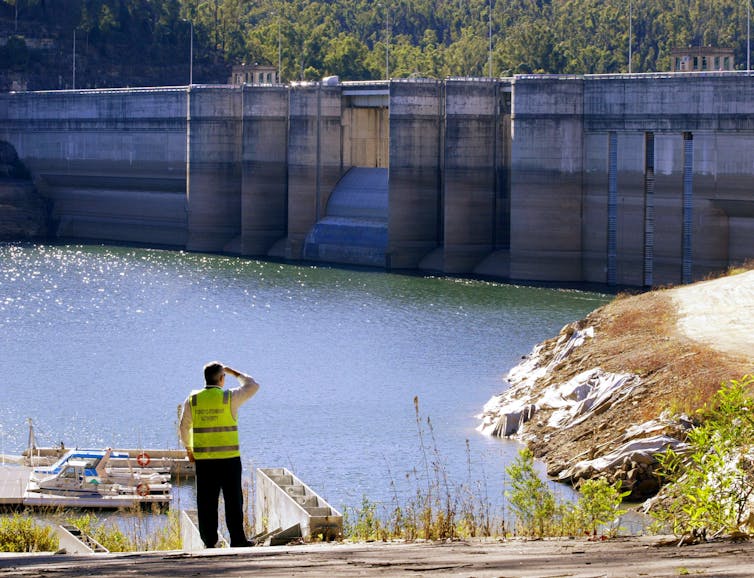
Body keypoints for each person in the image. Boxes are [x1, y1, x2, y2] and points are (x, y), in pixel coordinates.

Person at [179, 361, 260, 548]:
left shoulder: (193, 399)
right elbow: (253, 385)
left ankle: (209, 541)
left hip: (205, 461)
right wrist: (234, 372)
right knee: (233, 500)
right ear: (222, 378)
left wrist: (189, 450)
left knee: (206, 502)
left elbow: (184, 428)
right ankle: (238, 540)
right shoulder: (229, 397)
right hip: (229, 459)